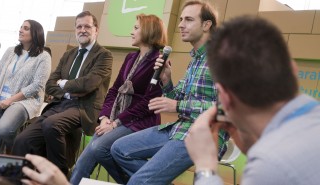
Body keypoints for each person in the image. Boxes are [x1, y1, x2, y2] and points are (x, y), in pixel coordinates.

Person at [185, 16, 320, 185]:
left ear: (224, 98)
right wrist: (253, 147)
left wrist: (205, 168)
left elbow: (278, 167)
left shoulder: (269, 166)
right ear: (293, 70)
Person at [111, 1, 229, 184]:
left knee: (138, 181)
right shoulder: (195, 59)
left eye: (188, 20)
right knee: (119, 149)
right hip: (179, 129)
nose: (181, 24)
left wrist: (178, 106)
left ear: (207, 25)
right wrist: (166, 81)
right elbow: (176, 97)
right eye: (181, 19)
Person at [12, 11, 113, 176]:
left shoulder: (104, 55)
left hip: (83, 108)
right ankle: (17, 180)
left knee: (52, 124)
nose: (82, 30)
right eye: (79, 26)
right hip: (59, 105)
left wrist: (64, 83)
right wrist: (70, 90)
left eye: (87, 26)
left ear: (96, 30)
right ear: (75, 30)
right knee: (22, 140)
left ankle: (61, 176)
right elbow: (50, 84)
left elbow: (88, 84)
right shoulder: (69, 54)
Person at [70, 14, 166, 184]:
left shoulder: (159, 62)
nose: (131, 32)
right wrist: (105, 117)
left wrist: (116, 123)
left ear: (149, 31)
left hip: (139, 121)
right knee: (83, 162)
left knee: (99, 148)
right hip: (116, 118)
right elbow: (114, 90)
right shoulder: (130, 57)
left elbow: (148, 104)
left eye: (136, 28)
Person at [0, 20, 52, 168]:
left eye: (25, 28)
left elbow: (38, 85)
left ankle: (20, 147)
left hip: (25, 100)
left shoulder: (43, 56)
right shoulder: (10, 51)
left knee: (4, 128)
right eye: (20, 27)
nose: (21, 30)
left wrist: (10, 100)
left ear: (35, 33)